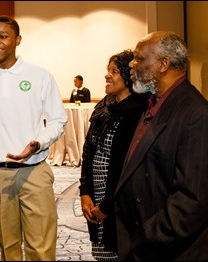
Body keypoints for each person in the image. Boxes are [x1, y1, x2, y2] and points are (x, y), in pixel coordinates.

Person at [114, 31, 208, 261]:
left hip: (167, 251)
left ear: (164, 64)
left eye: (139, 58)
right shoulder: (153, 105)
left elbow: (193, 202)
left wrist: (143, 241)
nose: (132, 65)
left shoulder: (198, 115)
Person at [0, 15, 67, 261]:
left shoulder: (39, 75)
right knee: (8, 248)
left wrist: (37, 143)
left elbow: (57, 120)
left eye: (3, 36)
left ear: (18, 40)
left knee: (41, 248)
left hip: (35, 172)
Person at [79, 50, 150, 261]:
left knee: (120, 253)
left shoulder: (139, 112)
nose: (107, 75)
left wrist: (107, 206)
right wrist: (85, 193)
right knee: (101, 254)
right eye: (107, 70)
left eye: (114, 71)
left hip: (121, 205)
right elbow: (88, 152)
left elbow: (129, 168)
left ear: (129, 76)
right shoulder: (104, 106)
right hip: (96, 199)